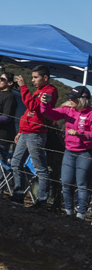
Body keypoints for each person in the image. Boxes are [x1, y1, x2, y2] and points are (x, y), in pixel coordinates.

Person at [39, 85, 92, 220]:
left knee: (82, 184)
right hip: (69, 150)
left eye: (73, 98)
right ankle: (68, 211)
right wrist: (44, 104)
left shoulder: (90, 113)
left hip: (85, 152)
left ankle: (80, 214)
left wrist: (81, 133)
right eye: (70, 98)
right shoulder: (68, 110)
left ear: (83, 99)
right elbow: (50, 114)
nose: (71, 100)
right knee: (66, 182)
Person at [9, 66, 57, 208]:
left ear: (45, 78)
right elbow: (29, 111)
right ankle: (18, 194)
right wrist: (21, 130)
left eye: (36, 77)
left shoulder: (49, 91)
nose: (33, 80)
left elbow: (32, 105)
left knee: (40, 168)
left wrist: (23, 87)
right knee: (15, 163)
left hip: (36, 134)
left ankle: (42, 200)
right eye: (32, 77)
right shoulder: (38, 91)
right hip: (26, 132)